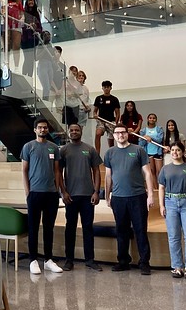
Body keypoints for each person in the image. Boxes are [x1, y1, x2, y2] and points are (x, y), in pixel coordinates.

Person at [104, 123, 155, 275]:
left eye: (123, 132)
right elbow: (108, 176)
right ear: (114, 135)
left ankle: (144, 262)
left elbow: (147, 173)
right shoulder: (110, 153)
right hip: (118, 198)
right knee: (121, 231)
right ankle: (123, 261)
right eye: (117, 133)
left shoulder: (138, 150)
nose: (120, 135)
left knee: (140, 230)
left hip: (138, 197)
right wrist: (107, 195)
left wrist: (151, 194)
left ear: (128, 134)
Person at [58, 123, 103, 271]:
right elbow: (58, 172)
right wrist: (63, 192)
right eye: (71, 130)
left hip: (87, 196)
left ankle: (90, 260)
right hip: (70, 196)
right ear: (68, 132)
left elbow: (96, 171)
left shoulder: (90, 149)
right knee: (69, 228)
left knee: (88, 228)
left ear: (81, 131)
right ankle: (68, 260)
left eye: (77, 130)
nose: (74, 132)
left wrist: (96, 191)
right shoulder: (63, 150)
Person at [21, 118, 63, 275]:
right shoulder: (28, 147)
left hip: (51, 194)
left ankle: (48, 260)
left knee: (48, 228)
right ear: (35, 130)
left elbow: (58, 170)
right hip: (34, 194)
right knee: (33, 227)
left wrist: (57, 189)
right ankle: (33, 260)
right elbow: (24, 170)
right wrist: (28, 192)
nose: (43, 130)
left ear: (48, 130)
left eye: (45, 128)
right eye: (40, 128)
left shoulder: (54, 148)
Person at [158, 142, 186, 279]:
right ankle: (177, 267)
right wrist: (162, 205)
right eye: (172, 150)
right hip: (170, 203)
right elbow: (161, 187)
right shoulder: (165, 169)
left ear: (183, 152)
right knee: (173, 237)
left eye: (178, 150)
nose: (175, 152)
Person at [93, 80, 120, 153]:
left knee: (111, 141)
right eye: (105, 87)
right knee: (98, 133)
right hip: (101, 121)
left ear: (110, 88)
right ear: (102, 88)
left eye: (108, 87)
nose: (106, 89)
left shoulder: (114, 99)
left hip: (111, 122)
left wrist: (116, 123)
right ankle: (97, 153)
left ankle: (112, 154)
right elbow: (95, 111)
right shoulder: (98, 98)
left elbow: (117, 113)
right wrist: (95, 115)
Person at [20, 0, 42, 76]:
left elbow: (40, 27)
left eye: (32, 0)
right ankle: (25, 75)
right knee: (27, 59)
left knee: (31, 59)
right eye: (29, 0)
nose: (30, 2)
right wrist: (28, 26)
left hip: (33, 39)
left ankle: (30, 77)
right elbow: (20, 25)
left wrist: (36, 28)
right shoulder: (23, 13)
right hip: (25, 39)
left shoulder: (36, 13)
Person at [139, 113, 164, 181]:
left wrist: (150, 137)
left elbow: (159, 140)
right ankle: (155, 189)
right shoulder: (143, 131)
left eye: (153, 118)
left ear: (156, 120)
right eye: (150, 118)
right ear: (148, 119)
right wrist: (145, 138)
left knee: (159, 172)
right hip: (148, 153)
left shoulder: (159, 129)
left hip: (157, 152)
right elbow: (141, 144)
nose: (152, 119)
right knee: (152, 172)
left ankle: (160, 189)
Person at [7, 0, 24, 69]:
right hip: (6, 26)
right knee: (7, 46)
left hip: (16, 25)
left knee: (16, 46)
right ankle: (7, 65)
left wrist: (21, 19)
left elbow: (22, 13)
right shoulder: (3, 0)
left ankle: (16, 66)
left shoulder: (17, 1)